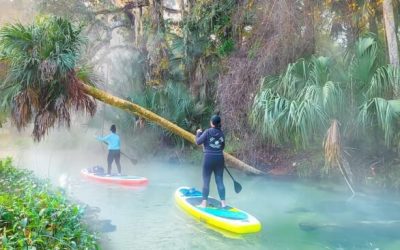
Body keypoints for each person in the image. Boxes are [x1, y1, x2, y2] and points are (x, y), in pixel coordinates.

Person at [196, 115, 226, 208]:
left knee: (206, 181)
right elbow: (222, 147)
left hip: (208, 159)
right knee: (220, 181)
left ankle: (204, 203)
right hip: (219, 159)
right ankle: (223, 203)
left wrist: (198, 133)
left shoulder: (208, 132)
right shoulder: (222, 133)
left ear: (212, 123)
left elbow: (198, 142)